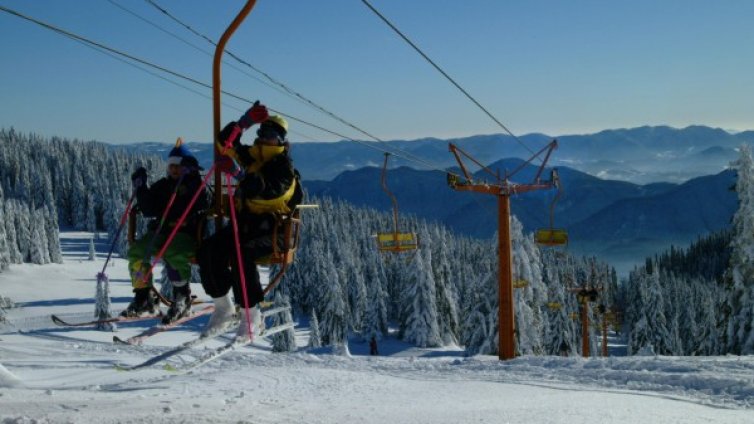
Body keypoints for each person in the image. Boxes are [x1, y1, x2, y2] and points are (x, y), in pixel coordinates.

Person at [199, 102, 302, 341]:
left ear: (280, 140)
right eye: (262, 133)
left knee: (240, 254)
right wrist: (244, 122)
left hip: (271, 228)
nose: (264, 139)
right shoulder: (252, 157)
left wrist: (240, 175)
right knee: (209, 249)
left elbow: (271, 192)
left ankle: (251, 315)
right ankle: (223, 308)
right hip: (244, 225)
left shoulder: (284, 167)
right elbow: (225, 143)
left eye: (270, 135)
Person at [124, 140, 208, 324]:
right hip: (161, 232)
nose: (174, 170)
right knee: (137, 252)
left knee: (173, 252)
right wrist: (141, 188)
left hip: (185, 233)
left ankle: (182, 296)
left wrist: (191, 177)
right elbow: (148, 209)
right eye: (172, 166)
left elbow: (202, 202)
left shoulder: (196, 185)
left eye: (178, 166)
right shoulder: (164, 185)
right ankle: (143, 296)